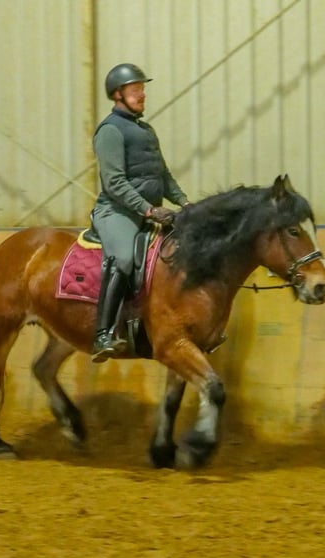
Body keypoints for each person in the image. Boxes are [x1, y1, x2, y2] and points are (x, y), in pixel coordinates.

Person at [90, 63, 189, 363]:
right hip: (117, 212)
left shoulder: (146, 130)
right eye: (135, 90)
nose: (142, 94)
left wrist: (185, 203)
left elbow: (163, 174)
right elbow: (114, 182)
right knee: (121, 258)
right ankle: (103, 333)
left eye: (142, 89)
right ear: (117, 94)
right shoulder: (109, 130)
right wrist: (148, 210)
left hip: (150, 212)